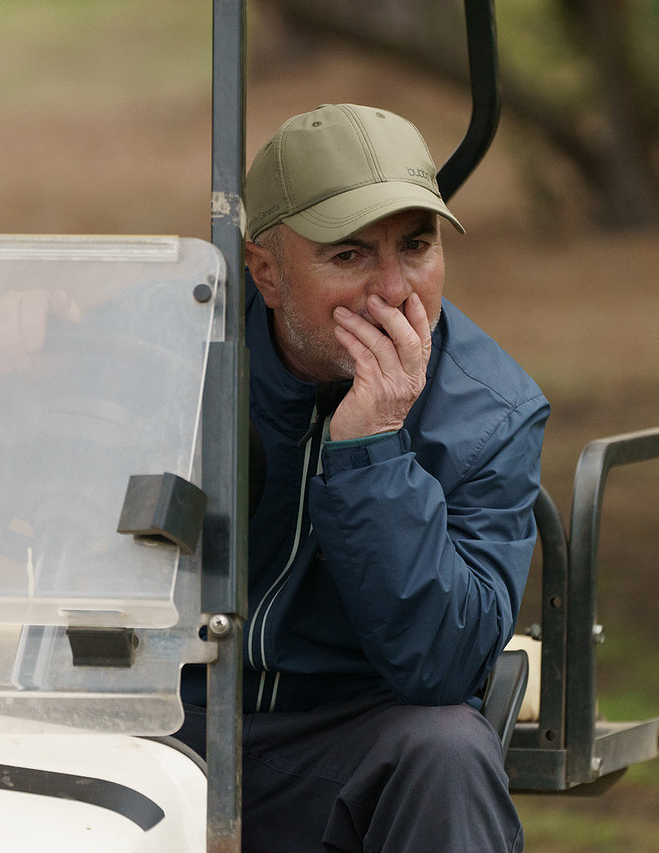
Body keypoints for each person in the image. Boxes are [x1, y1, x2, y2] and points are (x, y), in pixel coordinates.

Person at [171, 103, 548, 852]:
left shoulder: (492, 411)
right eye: (348, 255)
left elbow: (445, 667)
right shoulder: (171, 346)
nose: (394, 290)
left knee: (447, 752)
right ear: (265, 272)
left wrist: (372, 449)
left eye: (416, 245)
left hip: (344, 741)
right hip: (159, 722)